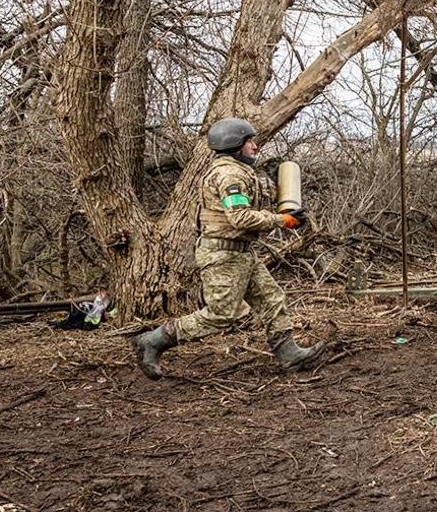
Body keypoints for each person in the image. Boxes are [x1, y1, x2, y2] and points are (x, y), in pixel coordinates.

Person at [132, 118, 325, 380]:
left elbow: (261, 196)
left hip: (241, 252)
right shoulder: (229, 175)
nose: (255, 147)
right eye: (250, 142)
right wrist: (283, 220)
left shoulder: (241, 171)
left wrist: (283, 193)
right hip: (222, 255)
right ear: (235, 145)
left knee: (271, 299)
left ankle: (290, 355)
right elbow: (240, 218)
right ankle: (153, 341)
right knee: (221, 315)